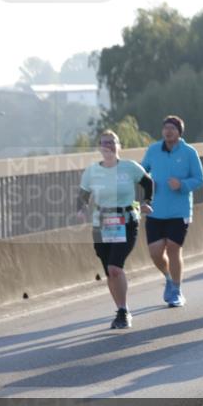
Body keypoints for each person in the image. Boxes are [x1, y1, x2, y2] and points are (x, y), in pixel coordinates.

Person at [77, 130, 154, 329]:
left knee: (115, 267)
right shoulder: (92, 171)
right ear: (99, 147)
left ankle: (123, 312)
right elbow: (82, 195)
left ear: (119, 146)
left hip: (127, 220)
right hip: (101, 224)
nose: (108, 146)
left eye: (112, 142)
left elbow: (148, 183)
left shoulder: (129, 167)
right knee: (109, 272)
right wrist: (81, 209)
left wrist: (147, 202)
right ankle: (121, 308)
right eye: (104, 143)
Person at [141, 115, 203, 307]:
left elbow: (200, 179)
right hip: (155, 210)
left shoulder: (189, 152)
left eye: (172, 128)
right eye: (166, 128)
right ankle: (169, 277)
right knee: (155, 253)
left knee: (173, 248)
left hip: (179, 211)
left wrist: (182, 184)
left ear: (179, 132)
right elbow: (142, 171)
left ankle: (177, 290)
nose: (168, 131)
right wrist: (143, 180)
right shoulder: (153, 150)